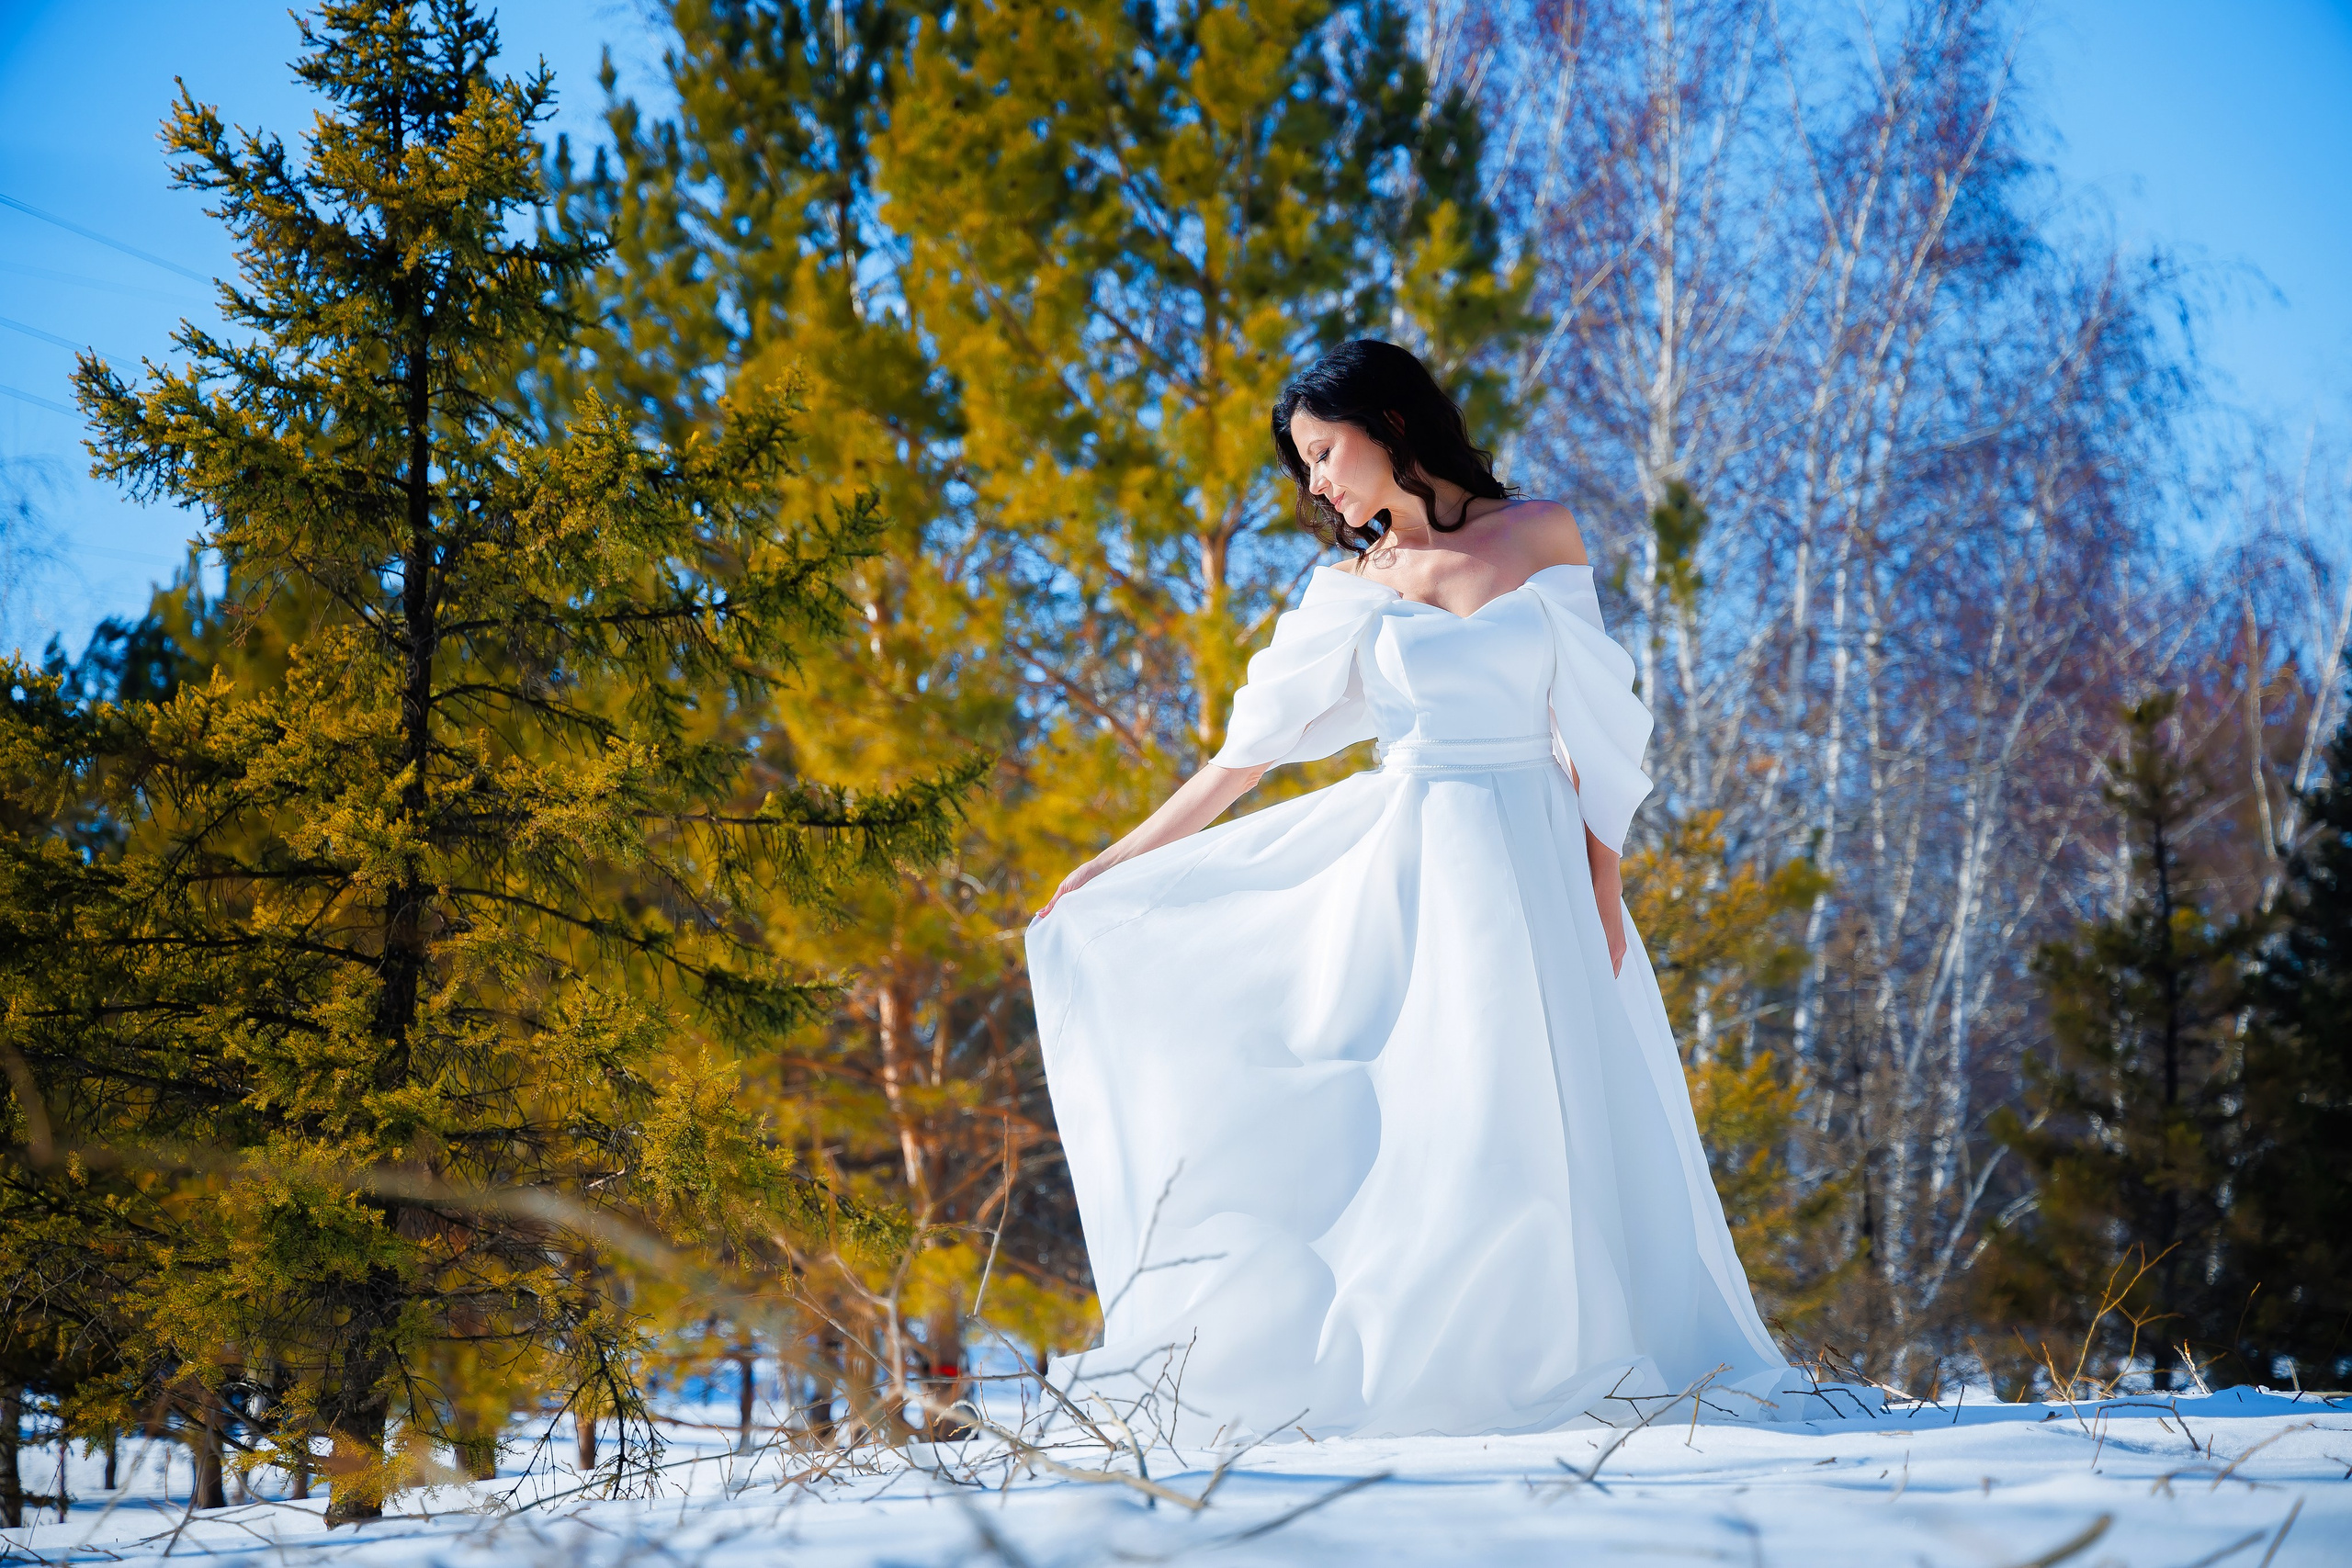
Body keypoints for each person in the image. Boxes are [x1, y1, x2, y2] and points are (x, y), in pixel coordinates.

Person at [1025, 339, 1800, 1443]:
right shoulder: (1350, 589)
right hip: (1420, 874)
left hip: (1535, 857)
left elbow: (1592, 725)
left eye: (1324, 451)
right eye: (1301, 465)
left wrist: (1603, 879)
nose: (1316, 485)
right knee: (1456, 1114)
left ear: (1389, 424)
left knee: (1557, 1107)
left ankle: (1565, 1353)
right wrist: (1111, 865)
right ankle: (1437, 1371)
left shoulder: (1541, 534)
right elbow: (1244, 757)